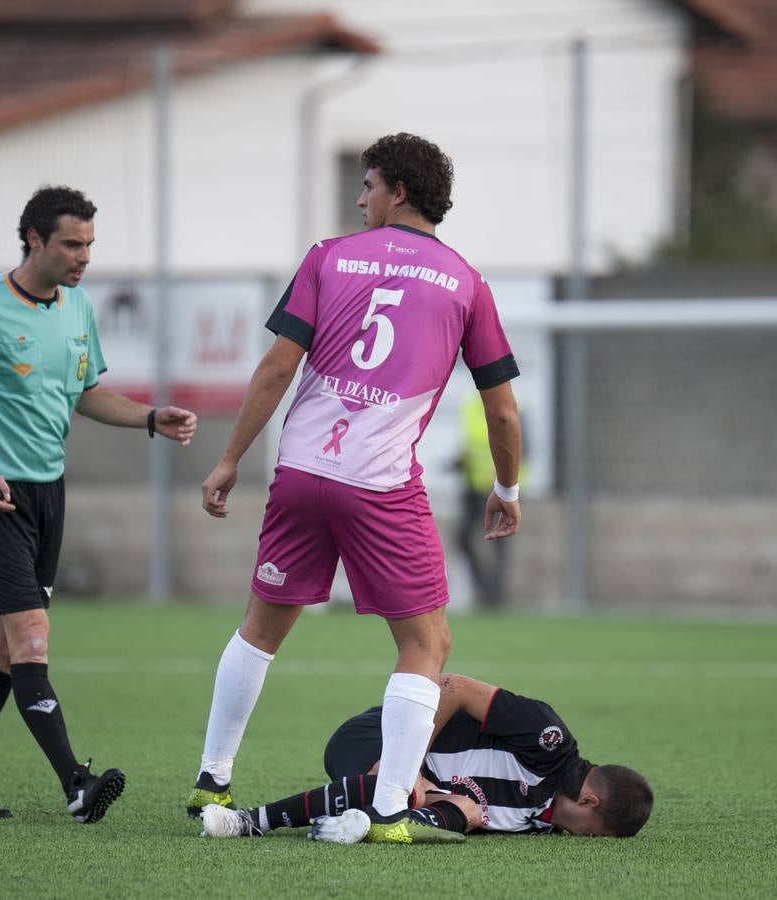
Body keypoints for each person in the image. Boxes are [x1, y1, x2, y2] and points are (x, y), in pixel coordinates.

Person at [189, 133, 524, 843]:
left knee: (263, 623)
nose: (360, 197)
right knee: (427, 644)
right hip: (378, 486)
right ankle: (391, 808)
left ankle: (212, 775)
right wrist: (508, 487)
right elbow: (500, 406)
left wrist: (228, 459)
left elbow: (278, 367)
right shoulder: (466, 281)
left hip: (302, 473)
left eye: (368, 184)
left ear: (399, 190)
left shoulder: (328, 256)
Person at [0, 185, 197, 822]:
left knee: (5, 651)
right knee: (32, 640)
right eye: (72, 243)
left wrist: (151, 417)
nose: (84, 257)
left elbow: (87, 393)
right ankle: (76, 784)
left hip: (49, 494)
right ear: (34, 240)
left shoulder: (78, 309)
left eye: (90, 245)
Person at [199, 673, 654, 843]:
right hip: (376, 739)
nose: (587, 840)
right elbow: (452, 687)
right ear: (591, 802)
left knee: (463, 811)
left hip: (427, 791)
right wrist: (406, 762)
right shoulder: (547, 738)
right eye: (597, 835)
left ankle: (356, 825)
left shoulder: (544, 819)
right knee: (406, 788)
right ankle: (246, 823)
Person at [454, 392, 524, 609]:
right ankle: (486, 589)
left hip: (501, 489)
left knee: (500, 543)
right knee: (463, 538)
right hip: (473, 488)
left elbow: (521, 448)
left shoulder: (513, 408)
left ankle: (496, 595)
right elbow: (471, 447)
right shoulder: (470, 407)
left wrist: (506, 486)